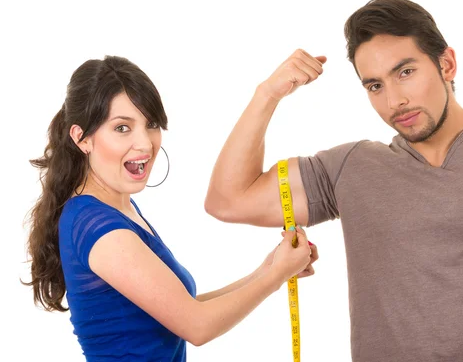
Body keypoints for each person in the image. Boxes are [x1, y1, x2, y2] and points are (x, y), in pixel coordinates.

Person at [204, 0, 463, 362]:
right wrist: (266, 95)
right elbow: (229, 200)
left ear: (446, 64)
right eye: (375, 85)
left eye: (405, 72)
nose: (394, 101)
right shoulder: (351, 167)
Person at [23, 55, 318, 361]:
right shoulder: (96, 226)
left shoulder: (117, 209)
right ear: (81, 138)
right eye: (122, 128)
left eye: (150, 124)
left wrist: (269, 270)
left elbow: (180, 311)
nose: (145, 144)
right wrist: (275, 276)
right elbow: (197, 325)